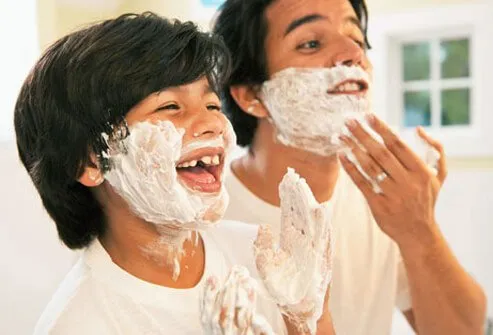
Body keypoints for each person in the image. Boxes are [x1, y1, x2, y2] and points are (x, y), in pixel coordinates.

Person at [15, 12, 337, 334]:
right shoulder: (78, 326)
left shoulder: (262, 258)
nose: (213, 124)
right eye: (170, 107)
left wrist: (308, 317)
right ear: (91, 161)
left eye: (212, 105)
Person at [213, 0, 487, 334]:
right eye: (311, 43)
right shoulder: (207, 218)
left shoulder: (384, 202)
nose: (352, 53)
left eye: (356, 38)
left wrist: (420, 230)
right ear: (252, 96)